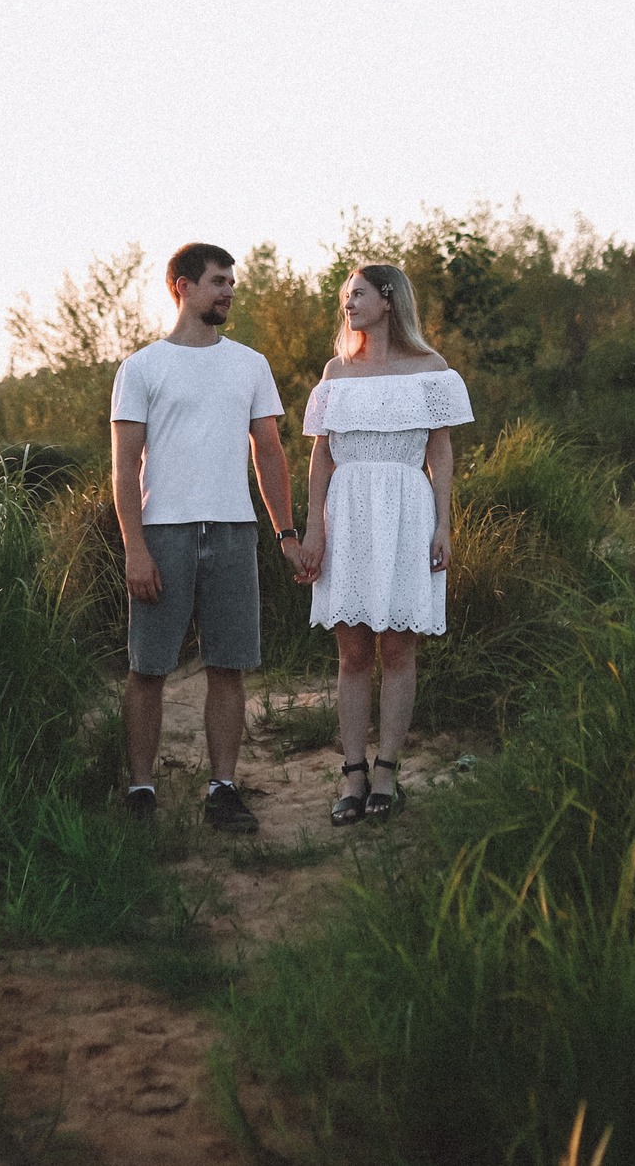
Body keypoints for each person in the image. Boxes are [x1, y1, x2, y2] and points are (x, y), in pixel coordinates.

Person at [110, 242, 302, 833]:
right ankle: (141, 788)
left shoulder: (250, 364)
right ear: (182, 287)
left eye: (231, 283)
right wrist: (134, 548)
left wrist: (287, 533)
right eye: (218, 281)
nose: (229, 292)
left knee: (229, 664)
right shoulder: (141, 367)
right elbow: (123, 466)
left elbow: (269, 453)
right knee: (148, 667)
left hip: (233, 531)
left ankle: (223, 788)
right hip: (162, 531)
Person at [294, 262, 471, 825]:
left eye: (359, 294)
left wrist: (443, 523)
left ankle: (388, 770)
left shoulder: (430, 369)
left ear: (389, 300)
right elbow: (321, 454)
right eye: (345, 296)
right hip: (346, 510)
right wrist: (313, 527)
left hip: (406, 510)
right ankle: (352, 773)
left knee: (397, 648)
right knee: (351, 651)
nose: (348, 304)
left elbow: (439, 452)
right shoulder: (336, 371)